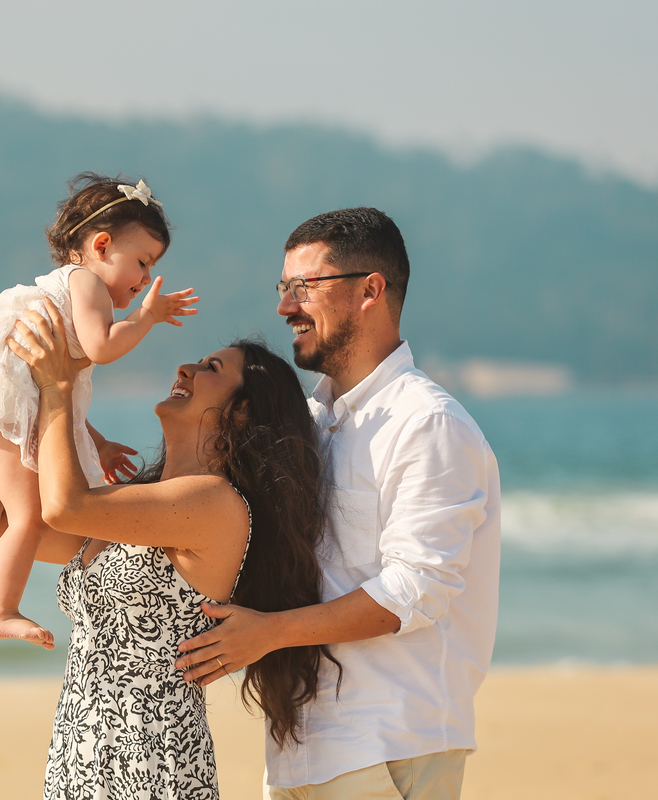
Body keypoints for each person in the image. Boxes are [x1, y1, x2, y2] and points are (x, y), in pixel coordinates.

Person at [176, 208, 501, 800]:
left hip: (391, 741)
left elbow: (415, 589)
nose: (285, 307)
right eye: (283, 287)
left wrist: (268, 633)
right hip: (302, 749)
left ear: (370, 290)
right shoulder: (313, 422)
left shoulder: (426, 423)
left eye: (305, 287)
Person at [7, 298, 337, 800]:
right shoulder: (142, 500)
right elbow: (22, 526)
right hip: (81, 755)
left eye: (211, 369)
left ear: (242, 409)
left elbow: (64, 508)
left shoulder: (215, 503)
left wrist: (59, 387)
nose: (185, 368)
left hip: (153, 761)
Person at [0, 173, 198, 662]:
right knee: (26, 519)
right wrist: (145, 318)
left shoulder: (52, 292)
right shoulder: (85, 282)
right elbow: (101, 348)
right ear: (101, 245)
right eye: (142, 262)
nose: (145, 280)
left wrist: (99, 442)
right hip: (6, 431)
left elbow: (44, 394)